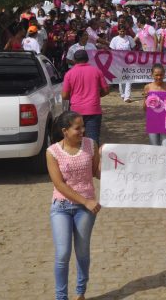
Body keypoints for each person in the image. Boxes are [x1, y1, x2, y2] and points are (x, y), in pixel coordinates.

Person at [46, 111, 101, 300]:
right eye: (78, 128)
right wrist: (85, 200)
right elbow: (59, 184)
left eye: (83, 126)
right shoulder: (52, 152)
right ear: (65, 131)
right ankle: (61, 297)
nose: (83, 130)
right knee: (62, 254)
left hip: (85, 210)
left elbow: (96, 172)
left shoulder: (91, 145)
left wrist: (110, 158)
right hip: (61, 207)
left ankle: (80, 292)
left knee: (82, 252)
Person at [61, 50, 109, 144]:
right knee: (92, 141)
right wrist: (97, 95)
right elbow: (106, 90)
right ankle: (92, 154)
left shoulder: (69, 73)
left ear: (74, 60)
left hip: (76, 111)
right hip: (93, 109)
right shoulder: (96, 71)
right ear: (87, 59)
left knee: (75, 140)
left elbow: (64, 95)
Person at [143, 63, 166, 146]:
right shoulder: (148, 87)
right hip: (153, 121)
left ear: (164, 74)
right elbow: (145, 109)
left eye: (161, 75)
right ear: (152, 74)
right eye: (156, 75)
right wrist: (146, 99)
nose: (159, 77)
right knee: (154, 148)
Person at [109, 26, 136, 103]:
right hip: (118, 62)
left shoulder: (129, 38)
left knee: (129, 78)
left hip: (128, 61)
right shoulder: (115, 39)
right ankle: (123, 94)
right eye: (120, 31)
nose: (122, 32)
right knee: (121, 79)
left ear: (125, 31)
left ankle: (127, 96)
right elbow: (112, 51)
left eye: (123, 31)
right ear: (118, 31)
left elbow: (133, 48)